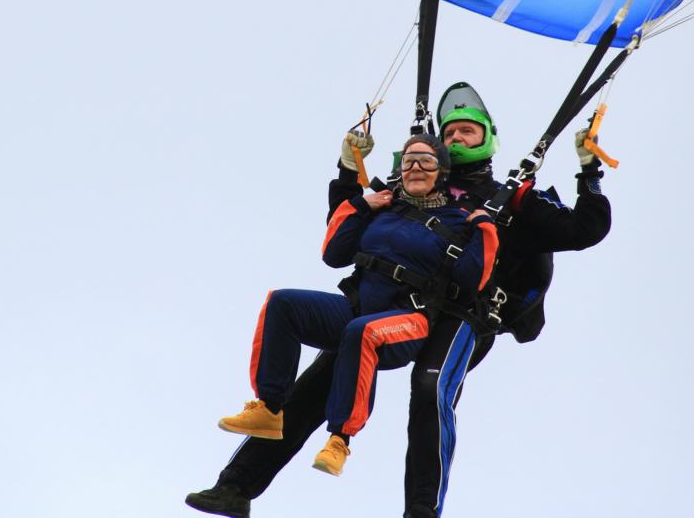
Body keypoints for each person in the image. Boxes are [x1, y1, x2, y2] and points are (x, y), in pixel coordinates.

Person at [187, 84, 611, 518]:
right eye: (449, 133)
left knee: (429, 390)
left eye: (467, 131)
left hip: (462, 314)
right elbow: (347, 228)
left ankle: (422, 511)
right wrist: (348, 170)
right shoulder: (409, 183)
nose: (456, 138)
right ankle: (234, 488)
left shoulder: (510, 199)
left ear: (488, 138)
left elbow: (585, 230)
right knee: (321, 379)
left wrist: (589, 169)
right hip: (390, 303)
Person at [212, 135, 498, 479]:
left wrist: (485, 228)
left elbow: (471, 280)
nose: (415, 168)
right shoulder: (385, 206)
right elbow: (333, 254)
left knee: (363, 332)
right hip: (357, 309)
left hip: (409, 320)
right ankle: (269, 408)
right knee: (283, 303)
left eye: (426, 161)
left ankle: (340, 439)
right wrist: (361, 204)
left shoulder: (458, 220)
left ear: (442, 172)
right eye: (408, 161)